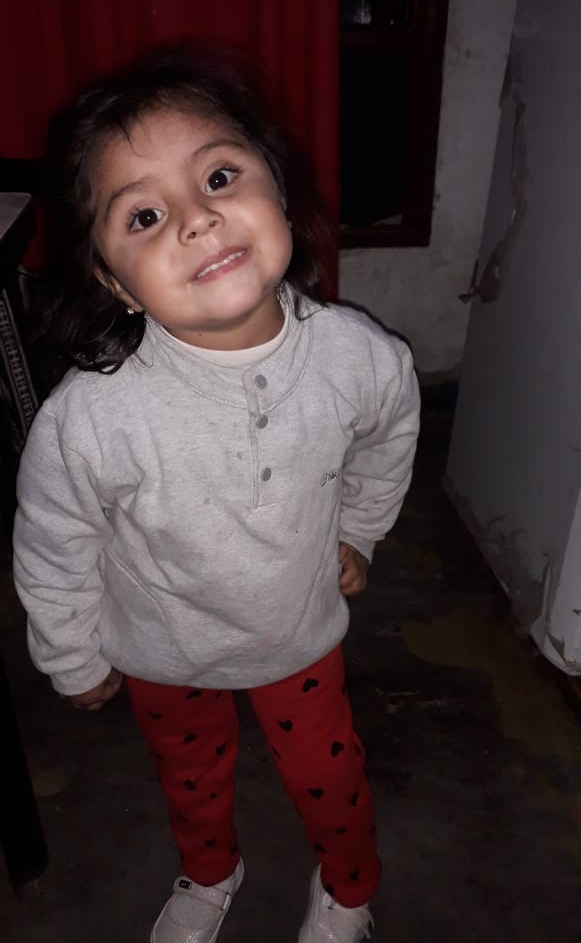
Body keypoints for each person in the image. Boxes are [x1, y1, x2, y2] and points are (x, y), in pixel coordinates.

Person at [12, 47, 420, 943]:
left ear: (278, 191)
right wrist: (69, 653)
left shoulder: (360, 358)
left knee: (329, 775)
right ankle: (207, 873)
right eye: (145, 215)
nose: (197, 219)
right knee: (190, 780)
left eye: (220, 177)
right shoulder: (91, 419)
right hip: (163, 648)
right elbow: (52, 542)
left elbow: (389, 435)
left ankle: (350, 887)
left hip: (297, 631)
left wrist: (360, 528)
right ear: (113, 281)